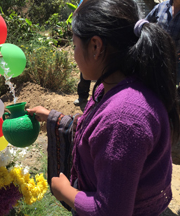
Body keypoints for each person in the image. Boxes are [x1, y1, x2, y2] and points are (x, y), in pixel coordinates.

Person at [27, 0, 180, 215]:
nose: (74, 54)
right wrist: (55, 117)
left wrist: (65, 191)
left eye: (74, 45)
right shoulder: (117, 85)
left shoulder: (123, 118)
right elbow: (97, 129)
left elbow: (110, 211)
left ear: (96, 46)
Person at [146, 0, 180, 86]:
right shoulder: (161, 6)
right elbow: (146, 23)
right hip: (156, 57)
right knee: (153, 86)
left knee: (171, 88)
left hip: (176, 62)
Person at [73, 0, 91, 112]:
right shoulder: (83, 2)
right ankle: (83, 97)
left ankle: (102, 98)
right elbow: (76, 15)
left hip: (100, 37)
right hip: (86, 36)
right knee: (85, 69)